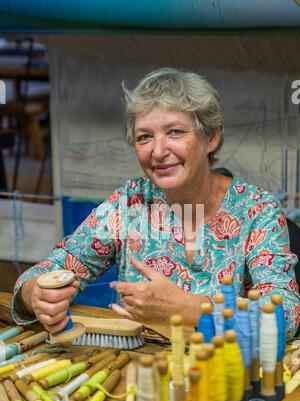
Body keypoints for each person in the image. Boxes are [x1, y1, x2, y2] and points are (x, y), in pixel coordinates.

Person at [12, 68, 300, 339]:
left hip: (225, 374)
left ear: (211, 137)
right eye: (144, 137)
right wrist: (34, 293)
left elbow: (285, 315)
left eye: (175, 132)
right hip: (139, 369)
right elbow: (48, 271)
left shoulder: (257, 211)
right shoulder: (129, 205)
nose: (158, 151)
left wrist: (187, 309)